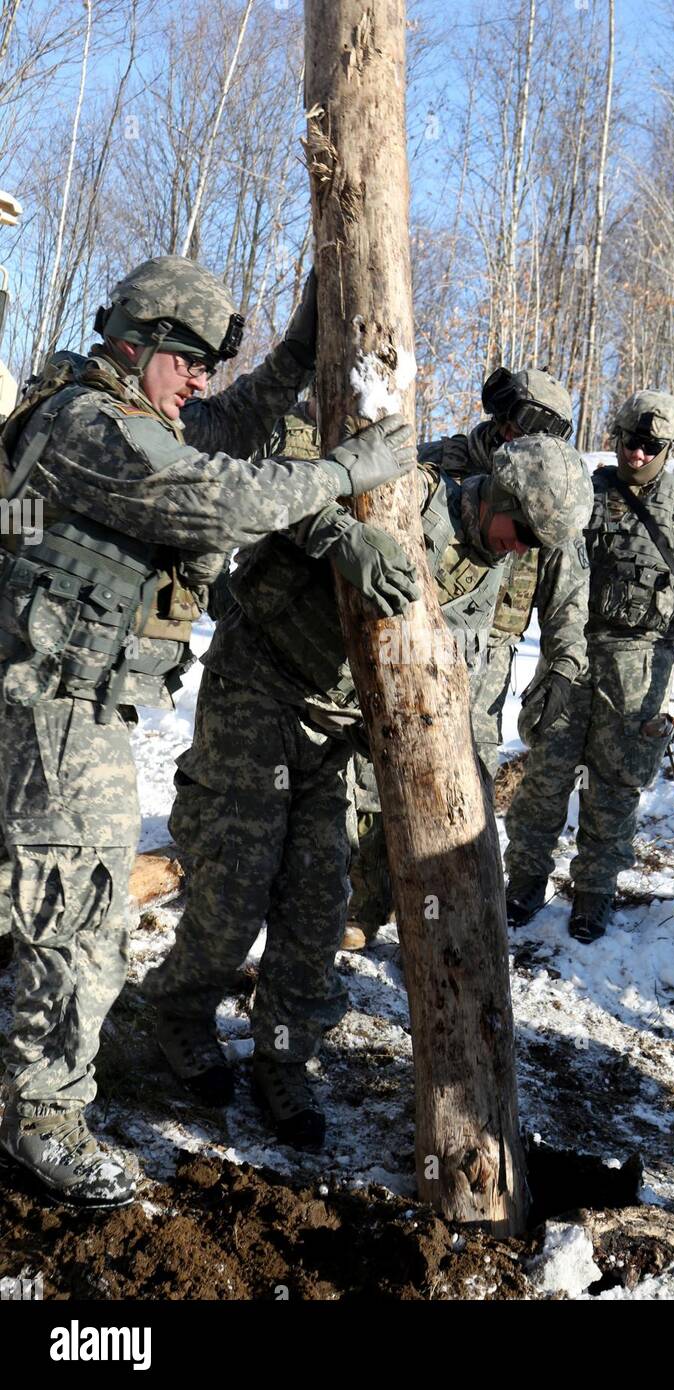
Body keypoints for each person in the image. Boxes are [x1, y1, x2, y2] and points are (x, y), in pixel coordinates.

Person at [0, 255, 416, 1207]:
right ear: (137, 348)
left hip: (58, 700)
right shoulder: (91, 429)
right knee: (78, 910)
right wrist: (348, 471)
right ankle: (43, 1114)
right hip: (57, 709)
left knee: (39, 898)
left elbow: (227, 430)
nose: (196, 385)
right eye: (185, 364)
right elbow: (214, 495)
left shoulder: (119, 414)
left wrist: (303, 347)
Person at [147, 430, 591, 1152]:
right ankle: (180, 1012)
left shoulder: (488, 569)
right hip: (261, 686)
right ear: (498, 497)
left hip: (339, 733)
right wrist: (340, 536)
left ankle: (283, 1054)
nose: (522, 550)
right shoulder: (407, 493)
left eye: (537, 544)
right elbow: (276, 491)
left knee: (319, 901)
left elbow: (453, 675)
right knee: (237, 879)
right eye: (522, 531)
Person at [346, 366, 591, 948]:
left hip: (487, 659)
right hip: (407, 640)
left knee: (465, 785)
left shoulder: (552, 493)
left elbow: (569, 598)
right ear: (502, 417)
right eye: (521, 425)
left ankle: (448, 914)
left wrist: (562, 665)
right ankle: (369, 902)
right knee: (379, 777)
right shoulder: (440, 468)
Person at [504, 390, 674, 943]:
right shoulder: (581, 494)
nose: (636, 454)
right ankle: (525, 880)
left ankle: (594, 892)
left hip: (641, 669)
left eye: (650, 445)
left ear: (670, 448)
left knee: (616, 786)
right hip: (572, 652)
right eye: (630, 441)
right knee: (545, 773)